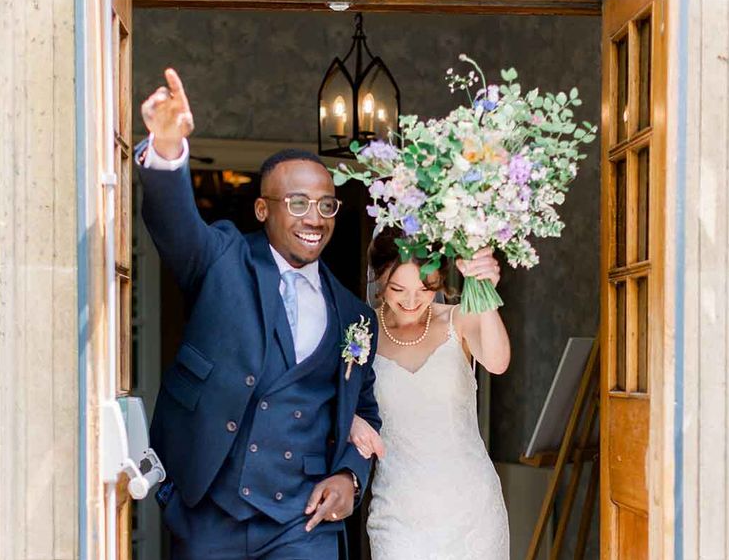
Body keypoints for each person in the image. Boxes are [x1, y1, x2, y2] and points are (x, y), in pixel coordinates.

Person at [137, 69, 381, 559]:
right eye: (298, 203)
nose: (315, 217)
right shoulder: (221, 259)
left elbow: (365, 413)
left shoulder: (356, 314)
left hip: (302, 520)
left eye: (326, 205)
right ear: (264, 210)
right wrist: (166, 149)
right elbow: (177, 227)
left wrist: (350, 477)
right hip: (208, 511)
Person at [349, 226, 511, 560]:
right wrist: (351, 420)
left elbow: (497, 362)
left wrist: (484, 294)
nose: (411, 301)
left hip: (474, 512)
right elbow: (334, 398)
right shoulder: (359, 334)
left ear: (439, 280)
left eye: (425, 288)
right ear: (378, 278)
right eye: (398, 289)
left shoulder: (459, 320)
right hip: (398, 513)